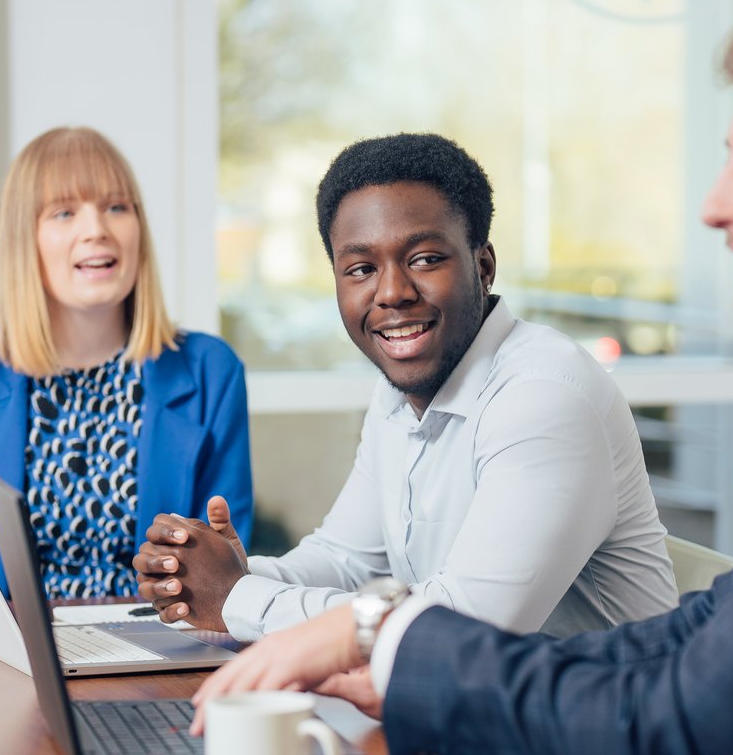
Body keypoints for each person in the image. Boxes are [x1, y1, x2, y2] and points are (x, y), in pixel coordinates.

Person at [192, 0, 733, 755]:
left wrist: (379, 637)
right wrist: (375, 636)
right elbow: (701, 636)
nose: (716, 206)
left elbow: (688, 728)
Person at [134, 133, 678, 641]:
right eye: (361, 268)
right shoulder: (400, 391)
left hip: (594, 732)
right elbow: (351, 561)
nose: (391, 292)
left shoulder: (544, 396)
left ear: (483, 266)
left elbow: (462, 629)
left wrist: (237, 597)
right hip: (472, 720)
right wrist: (219, 573)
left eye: (424, 259)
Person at [0, 126, 252, 603]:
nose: (96, 230)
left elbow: (226, 572)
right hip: (9, 661)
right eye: (65, 212)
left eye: (116, 207)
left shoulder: (212, 370)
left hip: (160, 657)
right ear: (27, 240)